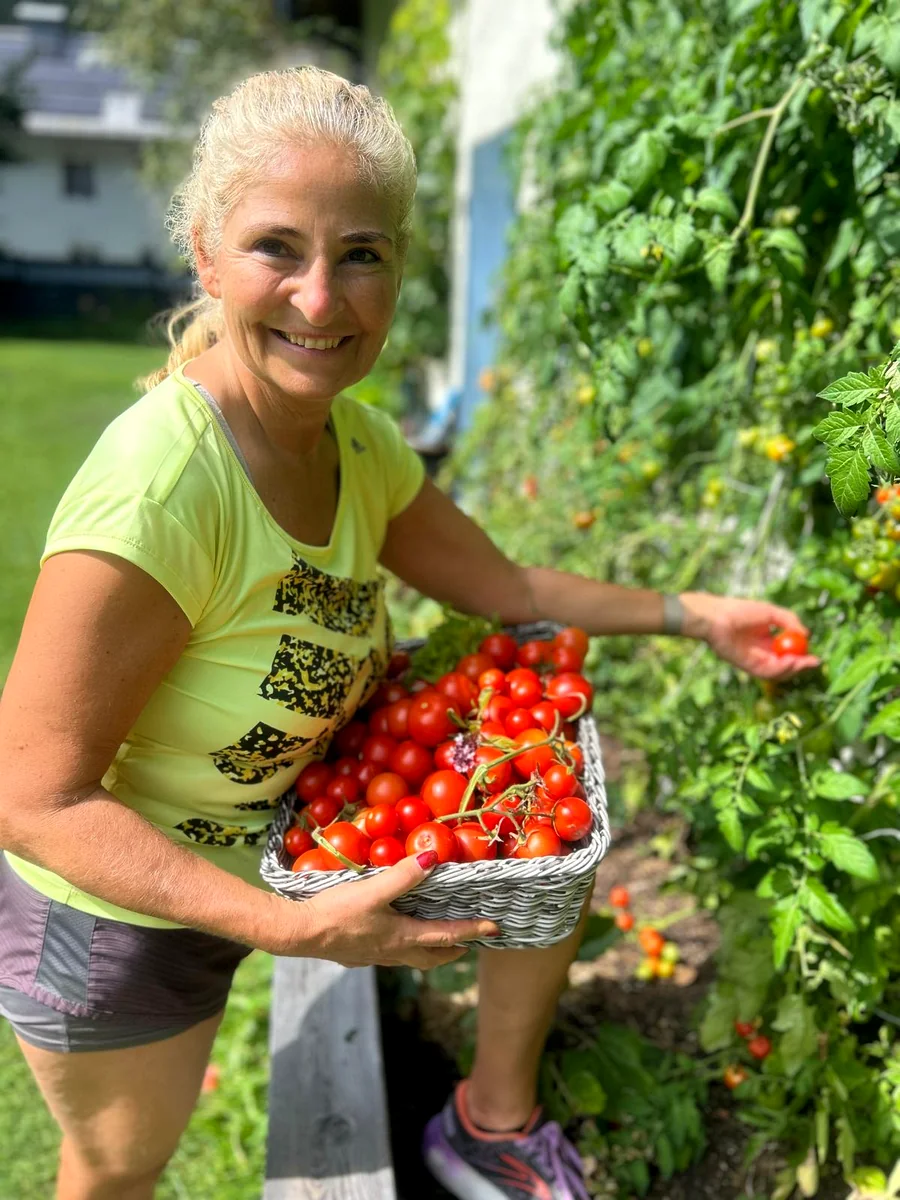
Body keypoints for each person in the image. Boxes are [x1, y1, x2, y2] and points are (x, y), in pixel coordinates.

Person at [0, 67, 818, 1200]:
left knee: (544, 840)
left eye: (363, 253)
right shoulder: (163, 491)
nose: (322, 299)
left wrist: (696, 615)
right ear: (204, 255)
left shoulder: (360, 446)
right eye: (276, 248)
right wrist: (278, 929)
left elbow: (500, 581)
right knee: (120, 1169)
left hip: (280, 848)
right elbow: (33, 796)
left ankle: (489, 1123)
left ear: (399, 270)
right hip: (125, 918)